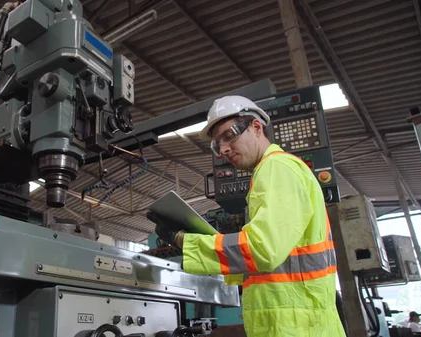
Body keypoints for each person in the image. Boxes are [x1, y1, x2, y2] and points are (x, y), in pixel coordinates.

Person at [147, 96, 346, 336]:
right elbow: (271, 261)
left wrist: (183, 240)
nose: (223, 149)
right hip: (297, 323)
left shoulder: (276, 168)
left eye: (229, 135)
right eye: (216, 144)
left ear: (256, 127)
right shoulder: (275, 171)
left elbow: (262, 248)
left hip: (294, 326)